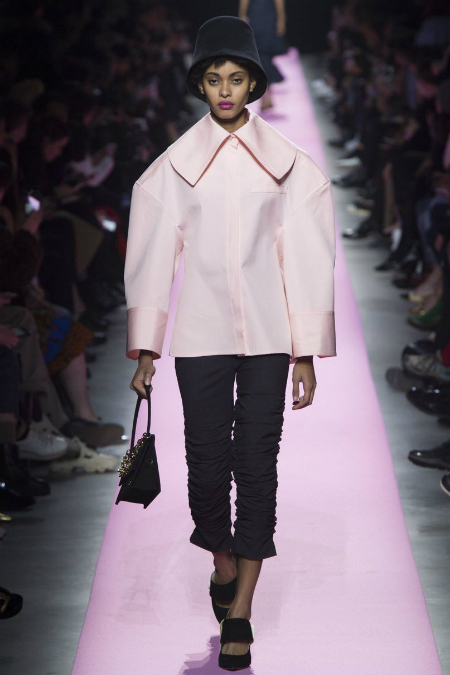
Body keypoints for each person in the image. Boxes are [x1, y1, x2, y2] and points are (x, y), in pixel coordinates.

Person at [125, 16, 336, 671]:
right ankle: (221, 561)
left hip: (271, 335)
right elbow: (151, 257)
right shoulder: (171, 170)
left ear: (253, 85)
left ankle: (241, 607)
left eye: (236, 78)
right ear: (199, 84)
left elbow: (308, 258)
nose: (224, 89)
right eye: (213, 78)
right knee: (208, 469)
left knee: (258, 465)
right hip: (201, 334)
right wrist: (146, 347)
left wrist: (305, 351)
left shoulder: (292, 168)